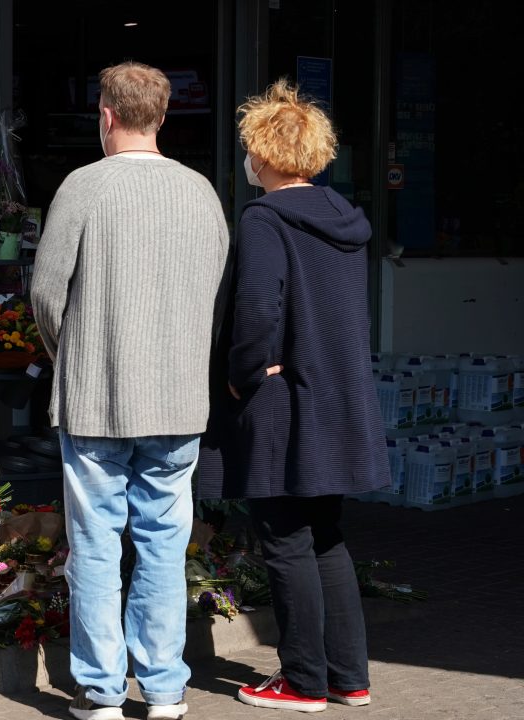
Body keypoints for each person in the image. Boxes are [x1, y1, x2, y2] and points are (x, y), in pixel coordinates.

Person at [31, 61, 230, 720]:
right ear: (162, 117)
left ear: (106, 116)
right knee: (164, 551)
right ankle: (167, 691)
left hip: (96, 400)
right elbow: (213, 294)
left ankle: (102, 694)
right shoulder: (202, 192)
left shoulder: (83, 186)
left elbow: (45, 296)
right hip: (177, 399)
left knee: (94, 549)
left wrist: (72, 356)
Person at [197, 80, 389, 713]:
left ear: (268, 156)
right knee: (326, 534)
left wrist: (242, 373)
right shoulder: (345, 221)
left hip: (283, 400)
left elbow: (258, 305)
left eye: (252, 149)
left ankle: (303, 681)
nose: (247, 161)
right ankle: (349, 677)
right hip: (339, 397)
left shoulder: (264, 218)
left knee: (283, 536)